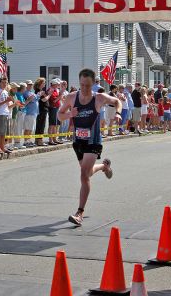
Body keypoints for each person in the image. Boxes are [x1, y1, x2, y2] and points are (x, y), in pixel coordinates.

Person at [58, 68, 122, 226]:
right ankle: (104, 166)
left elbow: (117, 101)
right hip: (78, 141)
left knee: (83, 175)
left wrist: (118, 113)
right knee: (87, 173)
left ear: (93, 84)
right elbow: (59, 115)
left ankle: (79, 213)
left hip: (93, 141)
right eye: (82, 85)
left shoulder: (99, 98)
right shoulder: (72, 97)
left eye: (87, 85)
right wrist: (69, 115)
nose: (84, 89)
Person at [0, 76, 13, 155]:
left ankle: (3, 147)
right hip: (0, 113)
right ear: (0, 83)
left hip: (5, 113)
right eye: (3, 82)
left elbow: (7, 103)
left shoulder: (5, 91)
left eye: (6, 82)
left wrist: (10, 102)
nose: (5, 84)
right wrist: (6, 100)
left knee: (3, 133)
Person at [47, 78, 62, 145]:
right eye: (56, 84)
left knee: (55, 125)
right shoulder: (50, 90)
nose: (58, 85)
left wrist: (60, 95)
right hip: (52, 108)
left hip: (56, 108)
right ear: (53, 84)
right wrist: (60, 96)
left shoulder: (55, 90)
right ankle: (50, 140)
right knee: (52, 125)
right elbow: (54, 100)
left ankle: (54, 139)